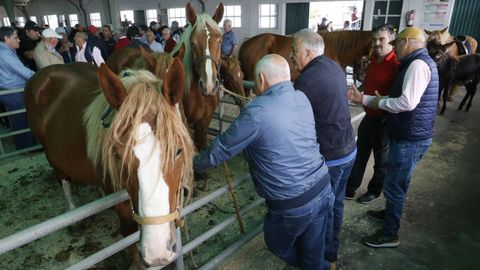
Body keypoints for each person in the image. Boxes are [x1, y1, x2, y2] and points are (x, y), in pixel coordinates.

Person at [194, 54, 334, 270]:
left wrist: (191, 164)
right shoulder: (302, 97)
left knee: (277, 243)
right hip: (323, 187)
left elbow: (221, 149)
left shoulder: (256, 112)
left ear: (260, 79)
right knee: (313, 246)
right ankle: (317, 265)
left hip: (292, 203)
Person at [348, 27, 438, 248]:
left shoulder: (416, 65)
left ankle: (390, 234)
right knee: (397, 181)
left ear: (407, 41)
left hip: (409, 135)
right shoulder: (414, 63)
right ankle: (389, 214)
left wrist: (378, 102)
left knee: (394, 183)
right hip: (409, 132)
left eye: (396, 42)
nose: (394, 47)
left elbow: (407, 102)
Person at [291, 29, 357, 265]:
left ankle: (321, 261)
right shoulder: (334, 66)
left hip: (331, 156)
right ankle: (331, 253)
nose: (291, 56)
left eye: (294, 51)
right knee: (336, 204)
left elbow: (292, 118)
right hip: (349, 148)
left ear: (307, 53)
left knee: (322, 212)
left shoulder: (306, 80)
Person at [345, 24, 399, 204]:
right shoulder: (373, 60)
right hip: (369, 117)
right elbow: (367, 85)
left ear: (391, 39)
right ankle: (350, 187)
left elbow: (399, 96)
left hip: (384, 119)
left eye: (381, 39)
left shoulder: (397, 64)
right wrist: (356, 93)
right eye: (374, 39)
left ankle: (374, 191)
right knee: (359, 154)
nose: (376, 43)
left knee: (381, 160)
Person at [0, 26, 36, 149]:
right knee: (21, 117)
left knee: (21, 117)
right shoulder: (5, 54)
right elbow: (25, 72)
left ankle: (26, 142)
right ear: (6, 38)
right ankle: (25, 146)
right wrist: (42, 77)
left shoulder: (4, 50)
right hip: (11, 91)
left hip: (9, 88)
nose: (19, 40)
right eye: (15, 38)